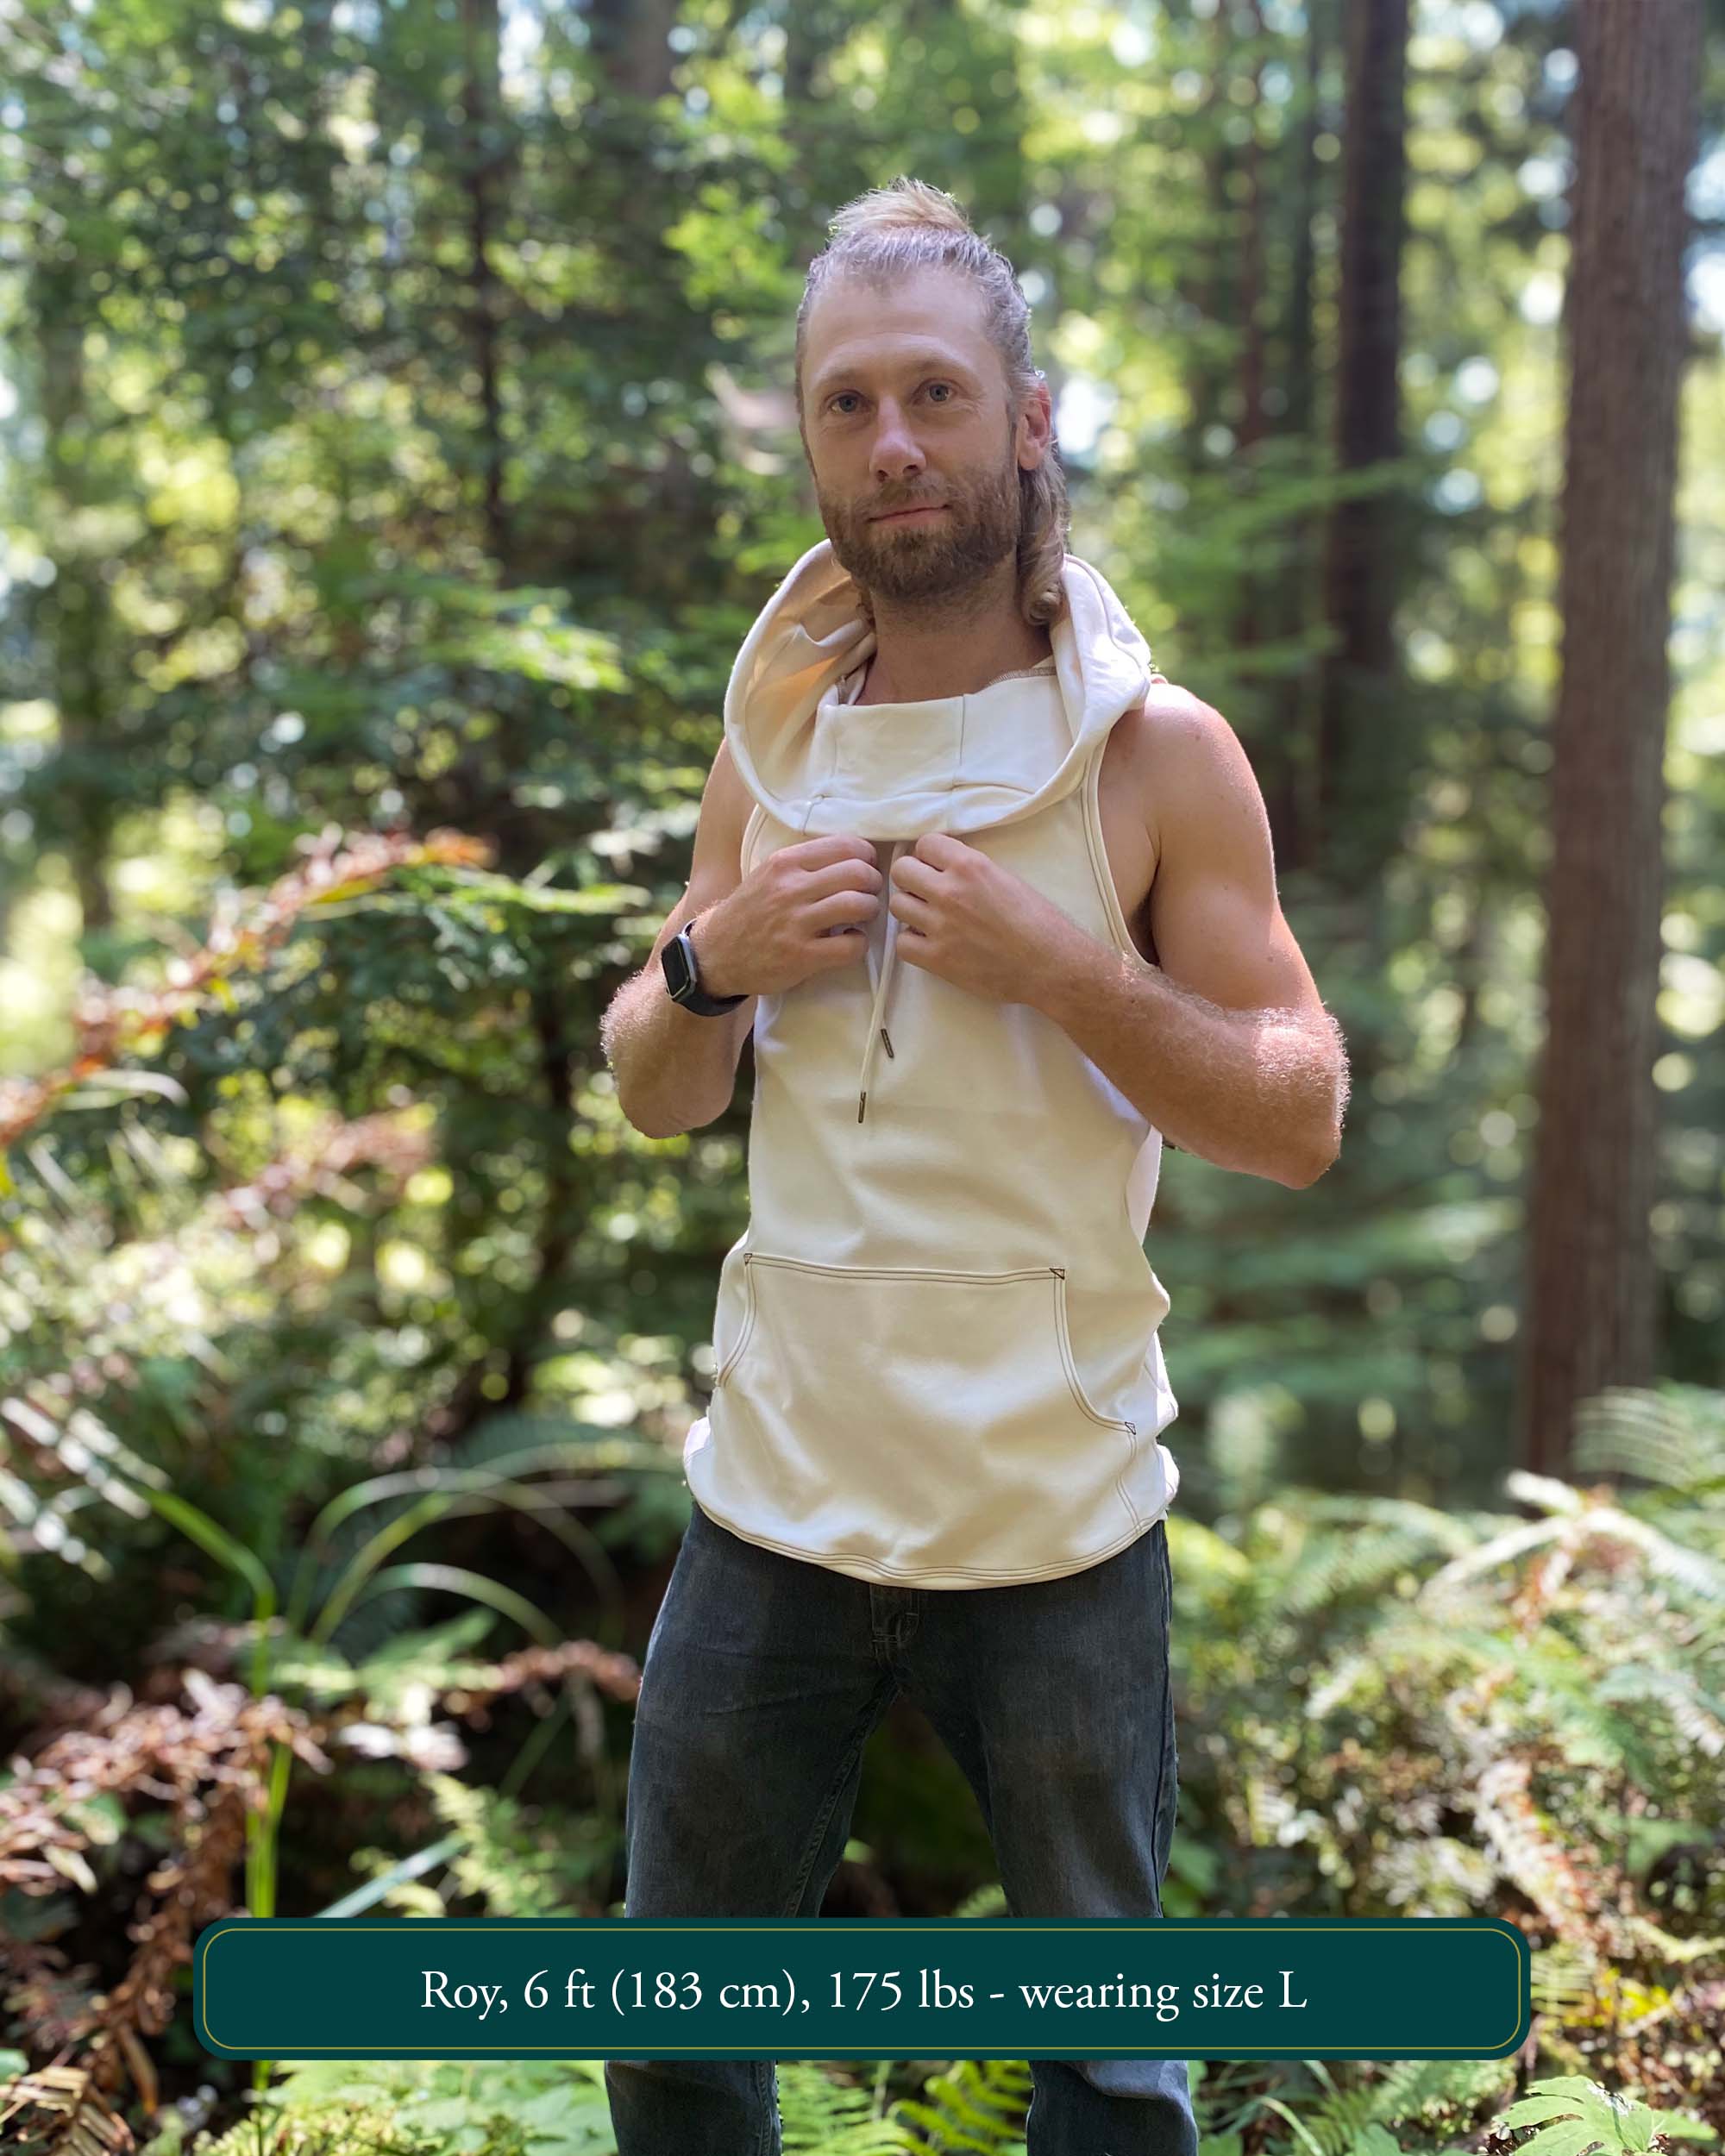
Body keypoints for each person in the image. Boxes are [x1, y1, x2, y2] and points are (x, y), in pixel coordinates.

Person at [599, 174, 1348, 2156]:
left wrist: (1069, 970)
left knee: (1105, 2067)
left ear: (1027, 417)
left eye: (933, 391)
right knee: (677, 2032)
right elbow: (656, 1088)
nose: (893, 444)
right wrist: (711, 959)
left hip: (1059, 1517)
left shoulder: (1151, 752)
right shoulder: (769, 743)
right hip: (772, 1497)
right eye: (847, 404)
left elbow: (1294, 1111)